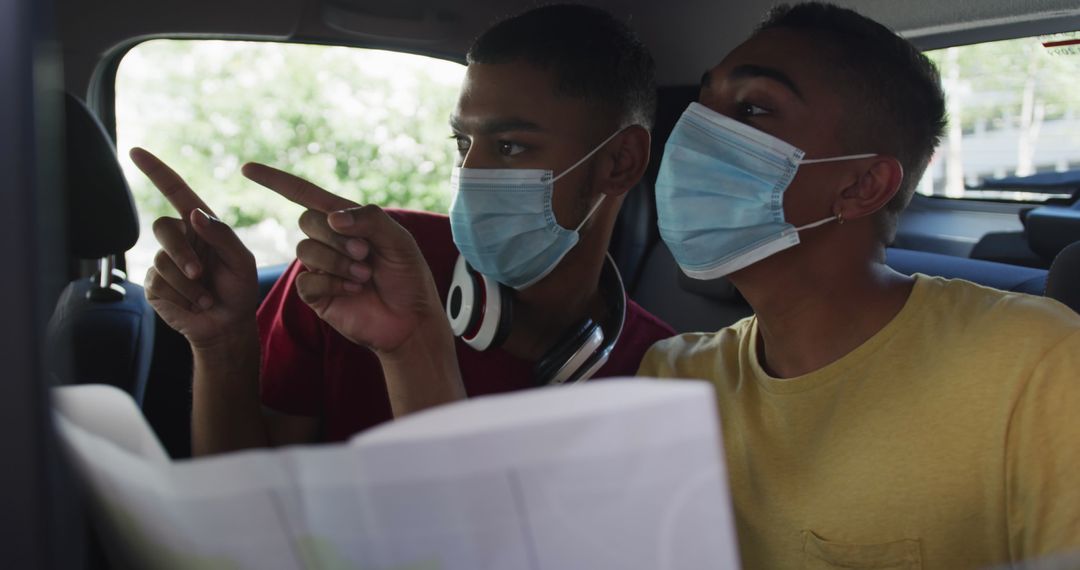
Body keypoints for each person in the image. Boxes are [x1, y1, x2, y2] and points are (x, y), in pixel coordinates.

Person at [636, 3, 1080, 568]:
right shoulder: (674, 377)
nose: (693, 137)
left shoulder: (1038, 366)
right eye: (702, 106)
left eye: (751, 108)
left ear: (863, 186)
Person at [135, 3, 672, 454]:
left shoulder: (666, 373)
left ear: (619, 163)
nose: (470, 175)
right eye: (463, 145)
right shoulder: (358, 265)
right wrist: (222, 345)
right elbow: (244, 509)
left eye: (510, 147)